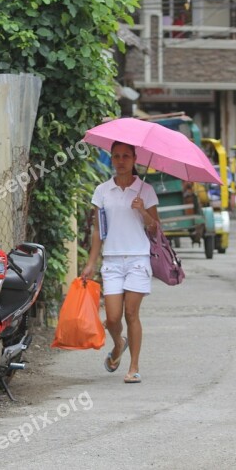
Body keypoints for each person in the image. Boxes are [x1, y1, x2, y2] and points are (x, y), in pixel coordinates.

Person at [81, 142, 160, 384]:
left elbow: (155, 229)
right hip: (112, 260)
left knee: (131, 313)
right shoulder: (102, 191)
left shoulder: (145, 190)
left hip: (138, 258)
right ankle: (119, 344)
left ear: (135, 158)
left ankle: (134, 367)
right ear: (112, 159)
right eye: (116, 156)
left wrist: (143, 211)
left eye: (126, 155)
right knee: (113, 318)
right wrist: (91, 262)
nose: (121, 160)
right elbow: (98, 231)